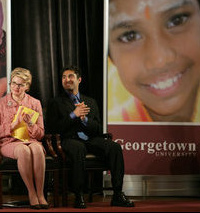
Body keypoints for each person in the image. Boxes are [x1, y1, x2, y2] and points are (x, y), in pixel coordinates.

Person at [107, 0, 200, 122]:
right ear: (111, 58)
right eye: (130, 36)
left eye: (177, 20)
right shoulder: (115, 127)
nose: (160, 59)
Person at [45, 65, 134, 208]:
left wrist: (85, 119)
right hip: (68, 139)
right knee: (78, 148)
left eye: (70, 76)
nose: (66, 79)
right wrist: (74, 115)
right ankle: (79, 195)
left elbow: (98, 129)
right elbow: (53, 128)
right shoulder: (56, 102)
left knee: (114, 147)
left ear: (79, 79)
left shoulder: (91, 101)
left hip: (90, 139)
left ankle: (117, 193)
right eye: (63, 77)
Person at [0, 67, 49, 209]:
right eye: (13, 83)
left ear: (27, 86)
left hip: (31, 140)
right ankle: (32, 193)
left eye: (20, 84)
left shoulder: (35, 103)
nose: (16, 87)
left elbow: (40, 134)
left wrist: (30, 124)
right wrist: (12, 125)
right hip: (9, 142)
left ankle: (40, 194)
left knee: (37, 150)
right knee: (23, 151)